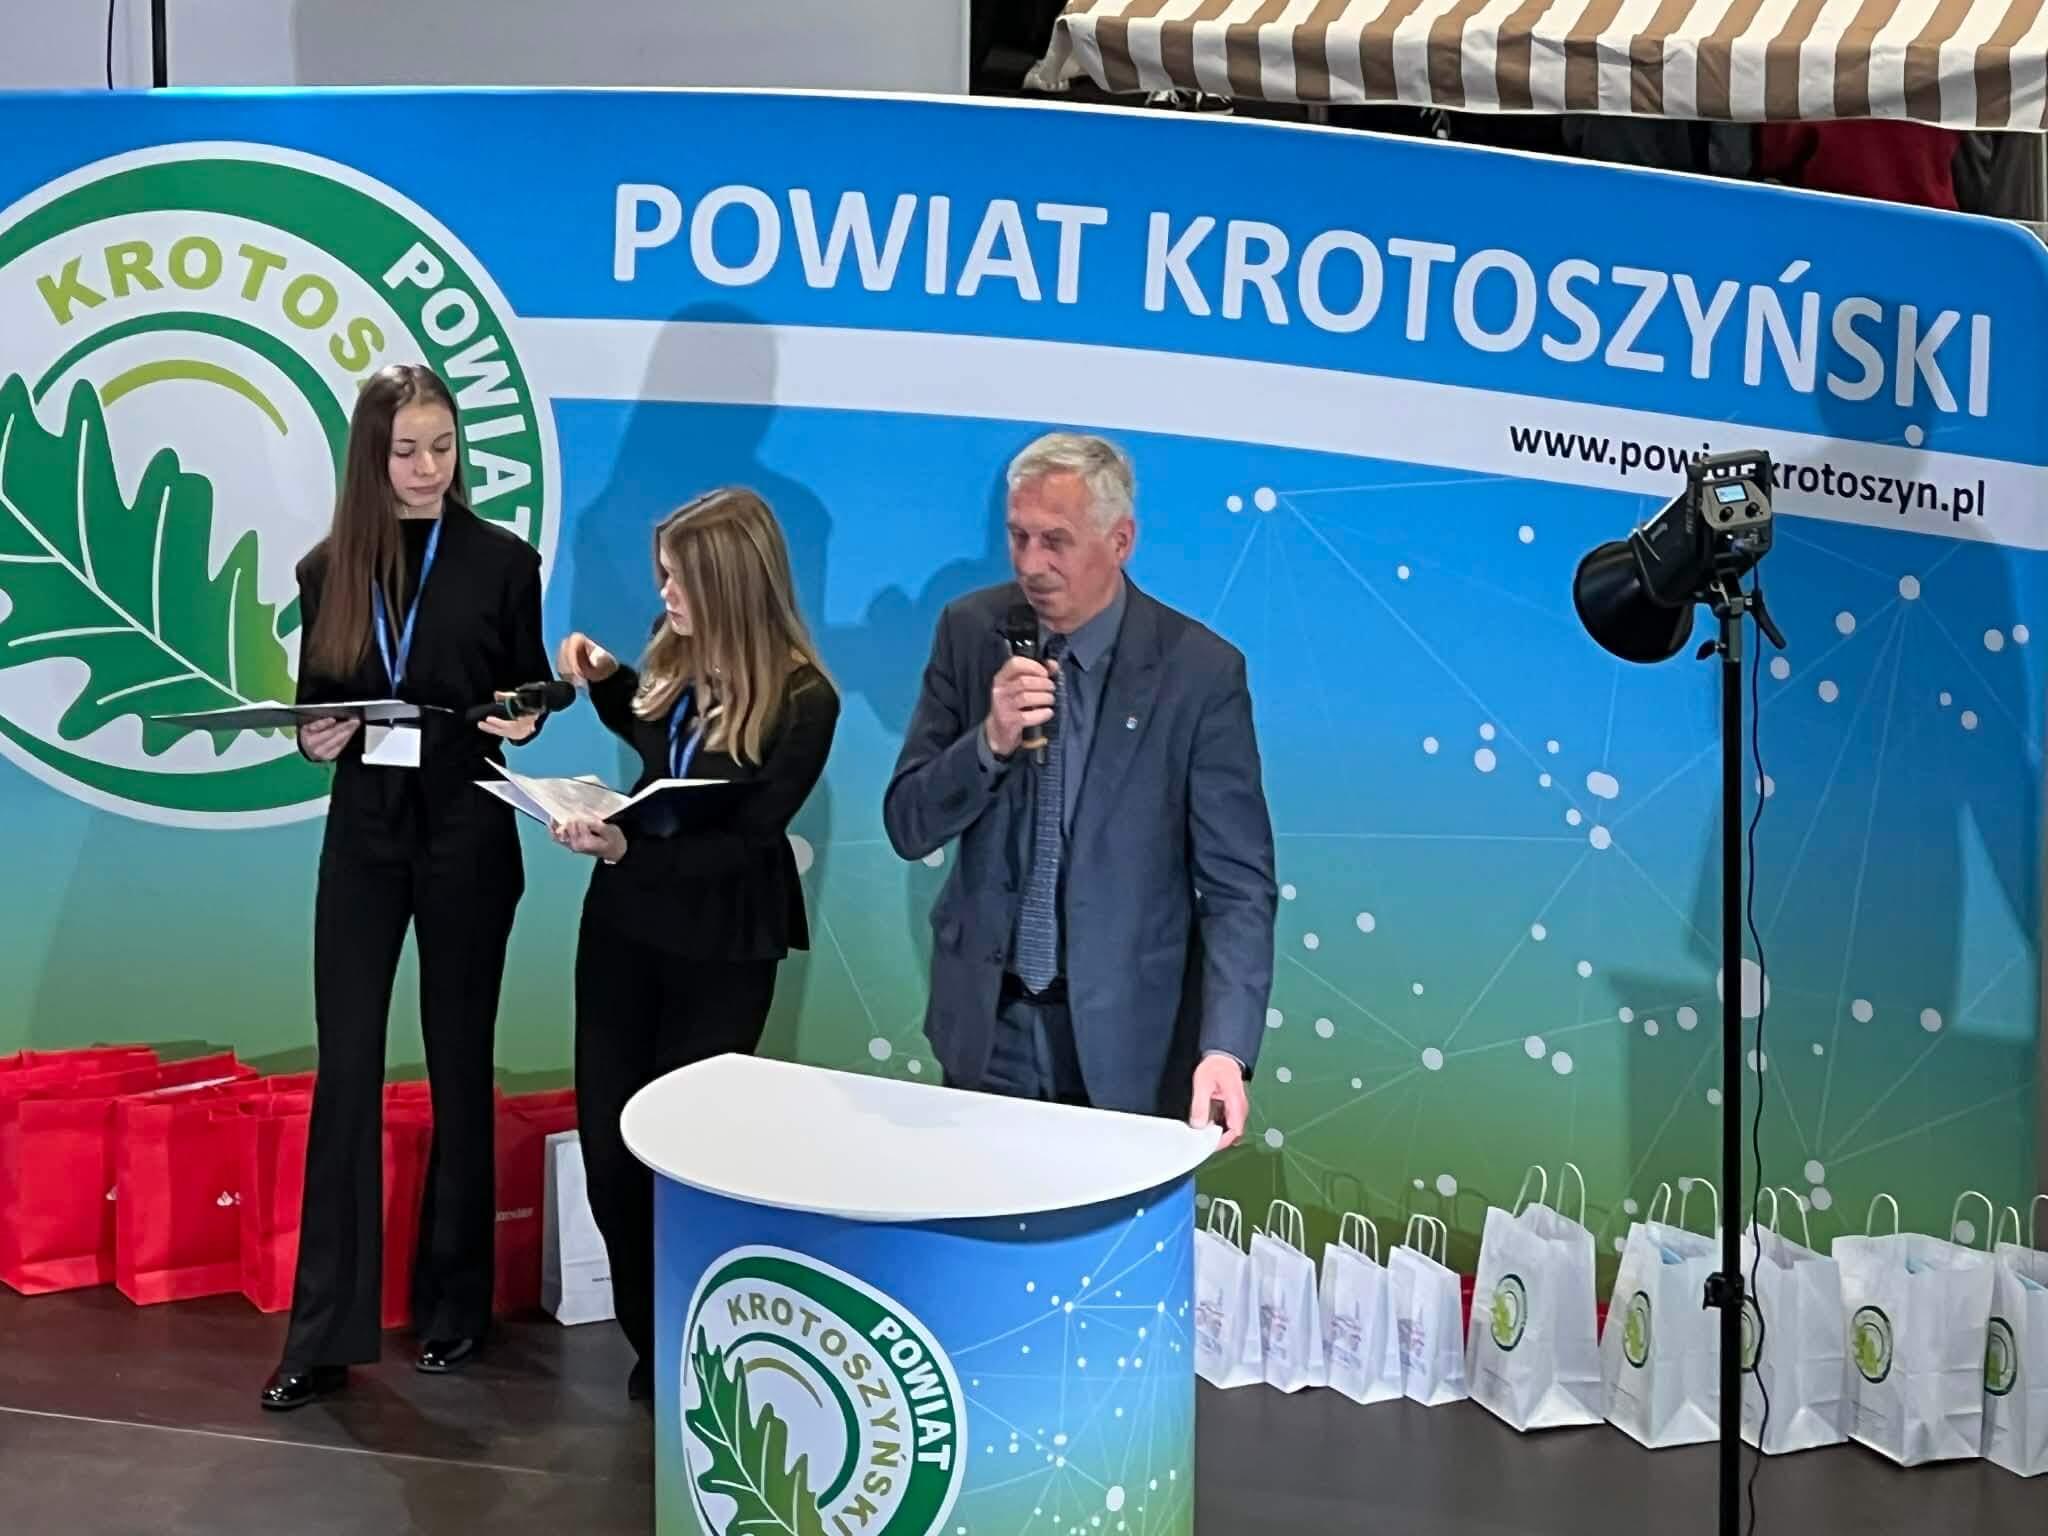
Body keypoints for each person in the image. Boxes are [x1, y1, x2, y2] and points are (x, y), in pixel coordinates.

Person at [261, 363, 551, 1412]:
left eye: (443, 446)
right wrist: (316, 735)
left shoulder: (503, 561)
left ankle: (454, 1307)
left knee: (458, 1061)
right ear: (370, 458)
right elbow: (315, 712)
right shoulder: (327, 568)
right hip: (366, 835)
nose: (429, 468)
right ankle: (320, 1336)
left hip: (468, 826)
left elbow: (529, 686)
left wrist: (527, 712)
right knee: (345, 1069)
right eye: (407, 451)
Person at [883, 433, 1275, 1144]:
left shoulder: (1200, 674)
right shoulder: (970, 633)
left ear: (1120, 541)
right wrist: (988, 742)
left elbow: (1237, 887)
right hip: (989, 1030)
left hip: (1130, 1048)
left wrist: (1226, 1049)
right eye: (1019, 537)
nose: (1031, 564)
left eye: (1055, 541)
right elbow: (908, 824)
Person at [552, 488, 839, 1401]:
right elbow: (653, 738)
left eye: (679, 579)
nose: (664, 593)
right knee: (609, 1156)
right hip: (624, 930)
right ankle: (656, 1345)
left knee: (687, 1159)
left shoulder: (804, 698)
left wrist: (628, 846)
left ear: (729, 583)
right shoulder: (672, 650)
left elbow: (749, 837)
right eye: (663, 575)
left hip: (721, 945)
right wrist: (606, 679)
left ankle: (700, 1355)